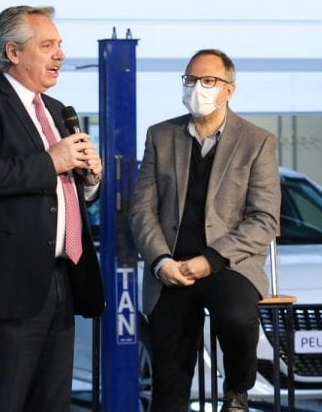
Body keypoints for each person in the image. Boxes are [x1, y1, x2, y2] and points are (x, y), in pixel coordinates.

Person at [0, 5, 105, 411]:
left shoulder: (55, 110)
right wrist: (54, 161)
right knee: (4, 402)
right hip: (4, 287)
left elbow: (57, 190)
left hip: (60, 281)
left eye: (60, 45)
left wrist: (89, 181)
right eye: (47, 45)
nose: (60, 55)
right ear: (12, 53)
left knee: (51, 405)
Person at [130, 49, 280, 412]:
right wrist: (160, 260)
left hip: (227, 262)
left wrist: (211, 259)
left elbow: (265, 219)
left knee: (237, 317)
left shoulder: (256, 142)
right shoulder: (161, 136)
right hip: (171, 268)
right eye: (191, 80)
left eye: (208, 81)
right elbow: (141, 209)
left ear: (229, 89)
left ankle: (238, 391)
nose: (197, 88)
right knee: (169, 373)